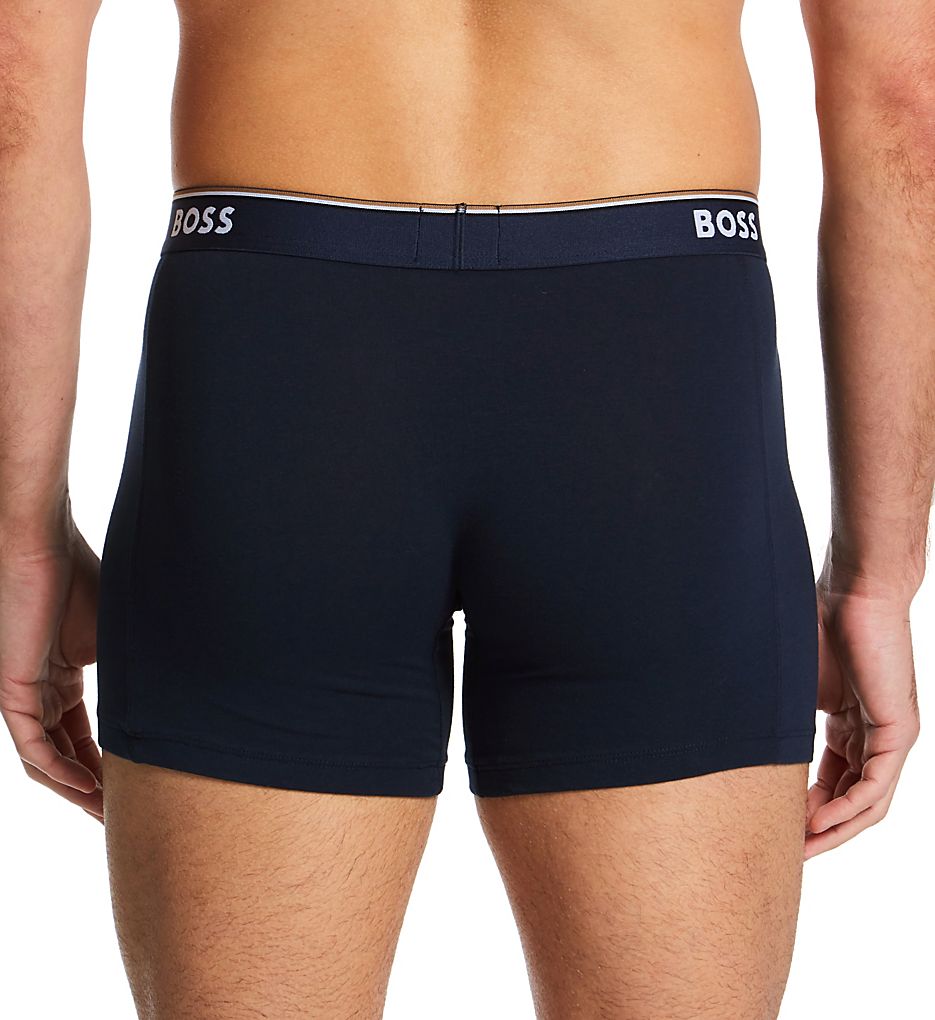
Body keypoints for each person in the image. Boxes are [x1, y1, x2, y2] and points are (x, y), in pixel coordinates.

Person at [0, 0, 931, 1017]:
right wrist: (876, 579)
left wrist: (21, 546)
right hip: (649, 370)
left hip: (281, 354)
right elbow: (904, 104)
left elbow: (13, 90)